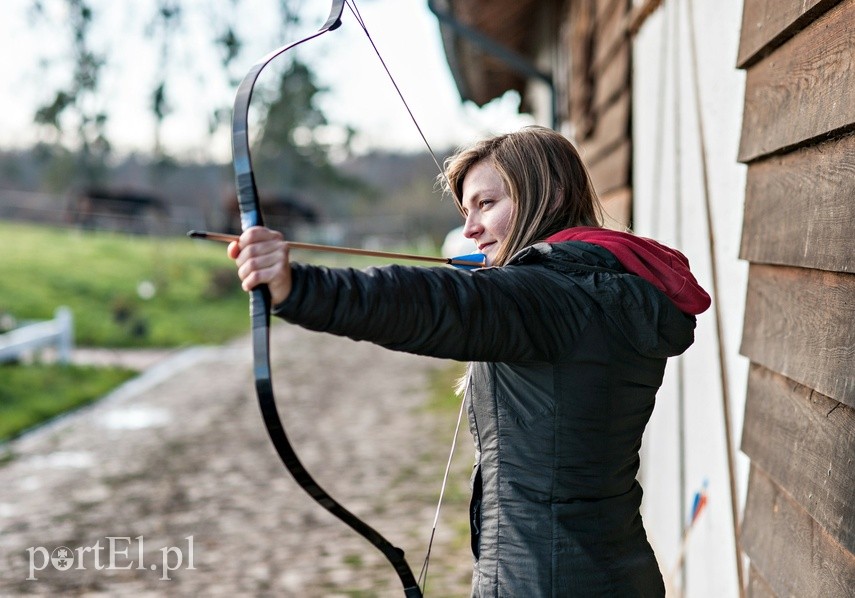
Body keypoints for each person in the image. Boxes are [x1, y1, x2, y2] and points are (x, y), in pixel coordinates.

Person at [229, 126, 711, 596]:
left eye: (487, 203)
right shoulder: (605, 286)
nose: (470, 228)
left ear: (552, 193)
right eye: (466, 209)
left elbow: (435, 302)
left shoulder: (552, 297)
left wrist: (300, 287)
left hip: (543, 580)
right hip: (614, 569)